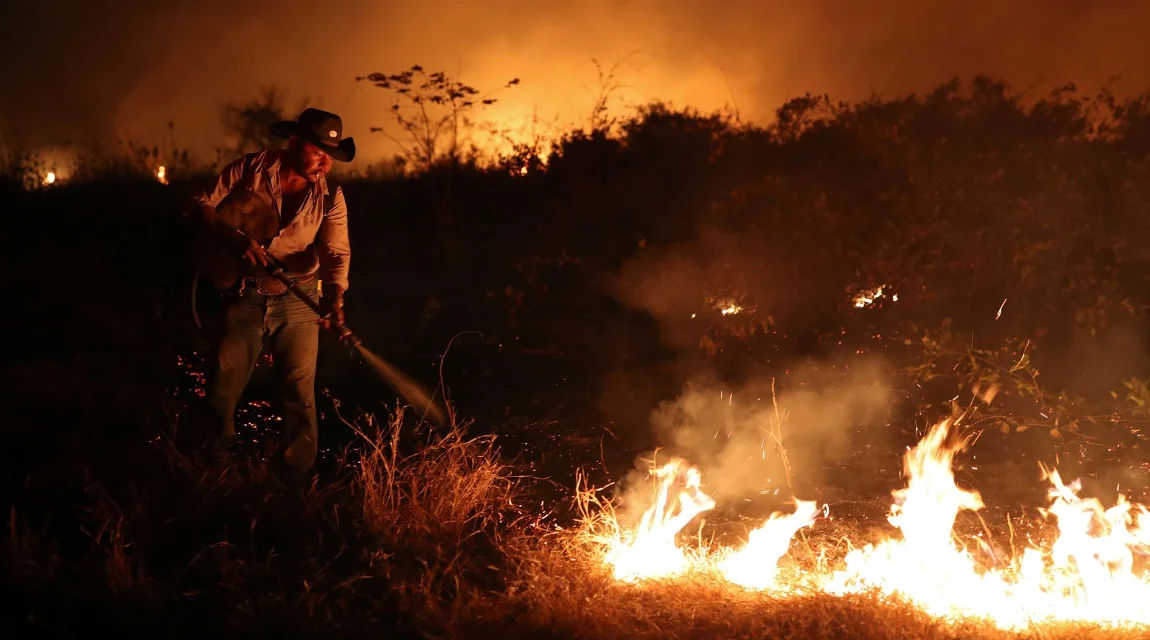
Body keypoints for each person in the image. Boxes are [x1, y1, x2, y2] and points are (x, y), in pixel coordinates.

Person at [186, 107, 355, 482]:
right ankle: (208, 469)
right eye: (317, 151)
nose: (325, 162)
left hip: (298, 299)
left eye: (331, 155)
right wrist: (233, 237)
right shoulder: (250, 169)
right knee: (223, 383)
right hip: (245, 294)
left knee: (299, 391)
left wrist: (335, 296)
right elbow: (201, 203)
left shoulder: (331, 197)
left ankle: (295, 479)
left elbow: (336, 252)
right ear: (294, 143)